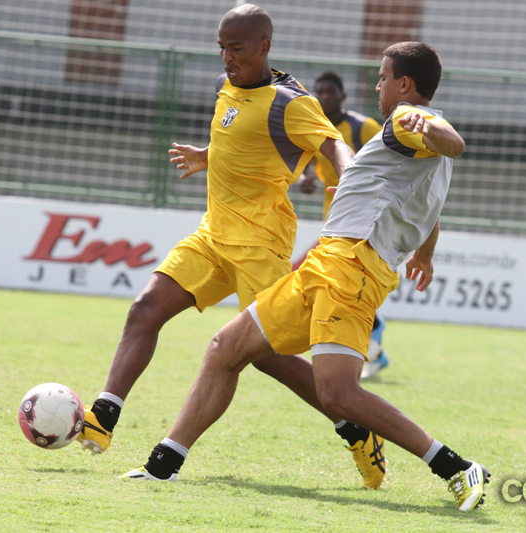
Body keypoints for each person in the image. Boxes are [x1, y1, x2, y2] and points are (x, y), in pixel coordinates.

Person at [127, 42, 491, 512]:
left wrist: (436, 127)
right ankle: (162, 465)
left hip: (352, 268)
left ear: (405, 85)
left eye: (383, 78)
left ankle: (458, 468)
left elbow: (453, 142)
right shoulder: (412, 143)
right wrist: (425, 253)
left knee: (337, 394)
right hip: (326, 263)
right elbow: (429, 206)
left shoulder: (407, 120)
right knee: (226, 350)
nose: (377, 86)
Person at [77, 4, 389, 490]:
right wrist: (209, 156)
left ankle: (355, 427)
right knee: (144, 309)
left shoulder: (291, 101)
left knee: (266, 355)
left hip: (260, 243)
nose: (226, 56)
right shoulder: (230, 85)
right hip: (212, 233)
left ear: (263, 46)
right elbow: (240, 137)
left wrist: (349, 179)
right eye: (222, 47)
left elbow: (332, 145)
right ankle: (103, 415)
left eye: (236, 48)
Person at [297, 71, 389, 378]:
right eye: (318, 91)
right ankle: (371, 343)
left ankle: (371, 345)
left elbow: (387, 166)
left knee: (346, 286)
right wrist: (307, 180)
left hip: (365, 223)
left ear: (343, 96)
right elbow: (308, 166)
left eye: (329, 91)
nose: (323, 97)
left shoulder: (364, 128)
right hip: (333, 222)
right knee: (337, 287)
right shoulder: (315, 129)